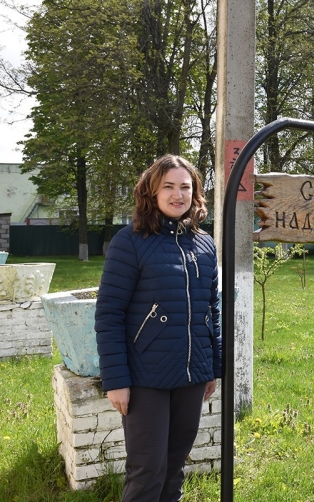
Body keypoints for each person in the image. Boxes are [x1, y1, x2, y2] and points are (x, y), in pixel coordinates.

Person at [95, 154, 222, 502]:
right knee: (147, 469)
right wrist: (116, 380)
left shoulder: (205, 244)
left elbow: (211, 308)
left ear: (195, 193)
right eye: (168, 186)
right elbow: (109, 314)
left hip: (192, 376)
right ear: (151, 192)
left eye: (185, 187)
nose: (177, 194)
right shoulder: (130, 241)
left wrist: (212, 368)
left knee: (175, 465)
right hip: (144, 378)